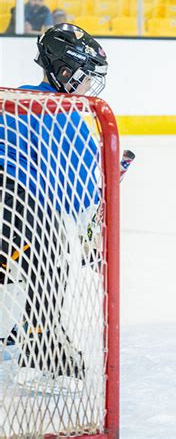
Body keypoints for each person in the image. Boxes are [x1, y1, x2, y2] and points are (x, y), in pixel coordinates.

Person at [0, 23, 108, 388]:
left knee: (22, 262)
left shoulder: (18, 97)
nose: (89, 87)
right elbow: (77, 194)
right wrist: (93, 220)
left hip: (9, 209)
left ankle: (14, 329)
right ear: (64, 72)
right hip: (14, 202)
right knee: (49, 258)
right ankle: (42, 352)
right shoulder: (62, 114)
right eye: (85, 78)